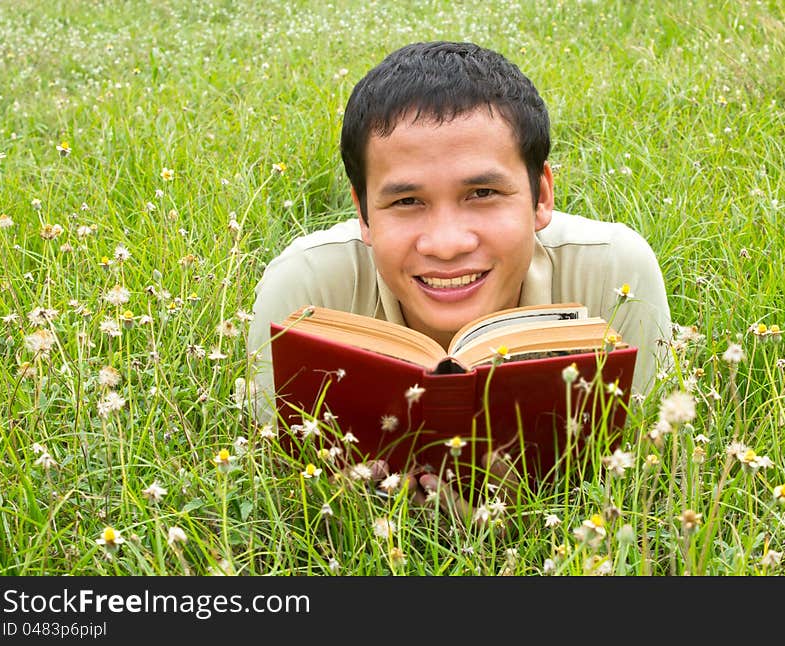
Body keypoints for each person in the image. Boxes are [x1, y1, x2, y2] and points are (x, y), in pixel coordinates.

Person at [247, 41, 671, 511]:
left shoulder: (614, 273)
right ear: (363, 213)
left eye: (483, 192)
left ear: (541, 195)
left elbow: (646, 479)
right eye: (407, 202)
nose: (446, 244)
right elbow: (275, 490)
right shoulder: (304, 289)